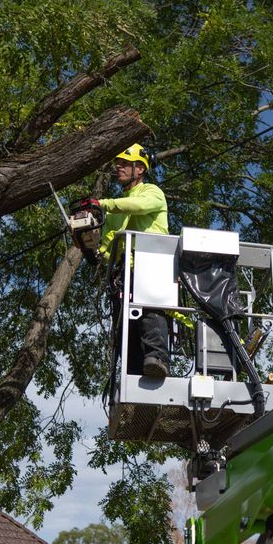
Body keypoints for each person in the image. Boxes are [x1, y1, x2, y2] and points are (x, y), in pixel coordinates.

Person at [94, 144, 171, 378]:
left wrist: (103, 204)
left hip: (153, 266)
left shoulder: (152, 191)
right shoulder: (116, 209)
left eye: (125, 163)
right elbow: (108, 247)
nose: (119, 167)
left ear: (140, 169)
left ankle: (157, 358)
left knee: (150, 312)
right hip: (124, 274)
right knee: (125, 329)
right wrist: (91, 246)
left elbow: (138, 206)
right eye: (119, 163)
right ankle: (134, 376)